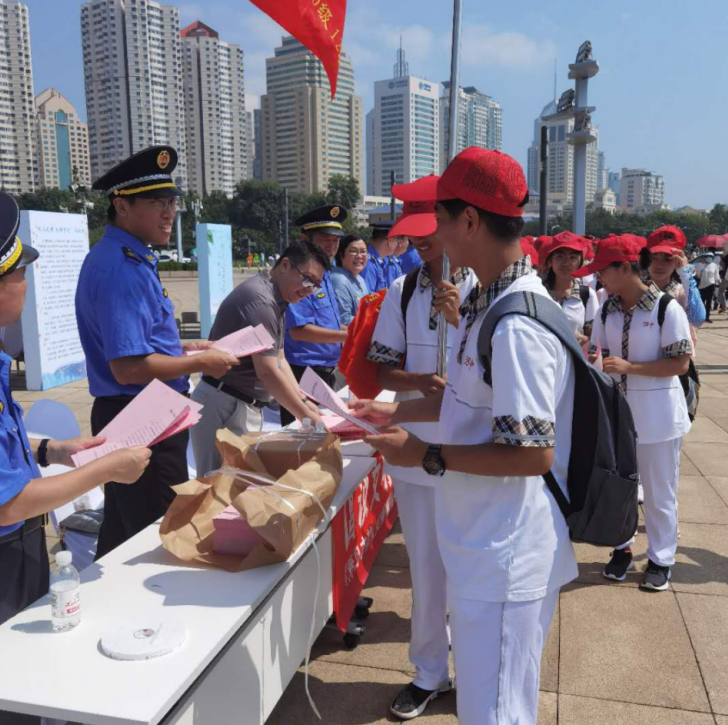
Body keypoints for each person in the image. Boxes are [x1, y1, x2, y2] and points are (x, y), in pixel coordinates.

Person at [353, 148, 578, 725]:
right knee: (486, 705)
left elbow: (532, 453)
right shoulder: (484, 303)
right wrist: (392, 415)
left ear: (471, 222)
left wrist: (424, 455)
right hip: (481, 540)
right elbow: (464, 399)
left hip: (505, 554)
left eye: (442, 222)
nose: (437, 236)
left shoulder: (517, 321)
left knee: (496, 713)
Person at [75, 146, 238, 558]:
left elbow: (137, 342)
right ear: (122, 206)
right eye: (156, 202)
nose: (169, 212)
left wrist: (185, 347)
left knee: (123, 526)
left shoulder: (128, 257)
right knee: (158, 531)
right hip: (139, 412)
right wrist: (202, 362)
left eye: (172, 201)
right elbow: (129, 367)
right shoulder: (121, 267)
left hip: (144, 408)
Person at [0, 191, 151, 635]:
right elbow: (8, 502)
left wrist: (53, 450)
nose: (27, 280)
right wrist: (105, 469)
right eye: (20, 270)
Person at [366, 180, 477, 720]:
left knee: (473, 568)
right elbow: (380, 365)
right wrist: (418, 378)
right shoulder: (401, 291)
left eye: (429, 231)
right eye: (412, 235)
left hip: (476, 453)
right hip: (415, 451)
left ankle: (475, 669)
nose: (420, 245)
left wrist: (464, 319)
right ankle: (430, 671)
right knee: (426, 568)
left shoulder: (487, 287)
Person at [583, 236, 692, 591]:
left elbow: (680, 363)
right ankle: (621, 548)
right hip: (619, 414)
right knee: (618, 487)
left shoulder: (665, 308)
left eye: (603, 270)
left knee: (660, 492)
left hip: (659, 416)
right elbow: (597, 352)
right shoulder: (607, 309)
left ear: (624, 268)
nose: (599, 278)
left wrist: (632, 366)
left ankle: (661, 559)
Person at [190, 241, 328, 475]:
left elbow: (279, 359)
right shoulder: (261, 301)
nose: (309, 290)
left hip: (239, 404)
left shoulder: (277, 299)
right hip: (224, 404)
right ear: (285, 265)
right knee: (215, 490)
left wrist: (303, 401)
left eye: (315, 286)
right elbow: (267, 371)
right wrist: (305, 416)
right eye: (307, 280)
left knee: (238, 485)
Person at [280, 205, 349, 426]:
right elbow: (300, 331)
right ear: (305, 239)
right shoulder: (300, 276)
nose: (331, 246)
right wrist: (346, 337)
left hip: (325, 371)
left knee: (324, 438)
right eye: (324, 239)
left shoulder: (325, 274)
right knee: (300, 440)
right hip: (303, 372)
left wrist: (352, 332)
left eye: (336, 241)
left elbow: (329, 321)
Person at [645, 226, 705, 353]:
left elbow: (697, 319)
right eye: (654, 257)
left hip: (676, 364)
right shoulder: (636, 290)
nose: (660, 264)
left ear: (678, 261)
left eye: (668, 259)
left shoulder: (682, 291)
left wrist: (685, 273)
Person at [540, 231, 599, 347]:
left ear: (580, 262)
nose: (566, 263)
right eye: (560, 257)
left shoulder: (587, 295)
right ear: (551, 260)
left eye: (572, 257)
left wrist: (583, 339)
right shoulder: (538, 292)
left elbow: (594, 335)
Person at [331, 233, 370, 326]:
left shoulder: (360, 279)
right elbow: (344, 320)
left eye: (363, 251)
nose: (359, 256)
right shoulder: (339, 279)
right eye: (353, 251)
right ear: (341, 255)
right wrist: (373, 321)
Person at [360, 220, 402, 292]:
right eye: (397, 241)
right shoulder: (369, 264)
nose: (398, 245)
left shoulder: (382, 262)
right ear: (390, 241)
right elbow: (368, 299)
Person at [696, 252, 719, 322]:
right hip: (702, 286)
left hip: (711, 285)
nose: (708, 257)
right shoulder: (701, 265)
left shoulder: (714, 265)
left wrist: (717, 282)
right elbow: (698, 276)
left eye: (710, 256)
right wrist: (702, 267)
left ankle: (707, 317)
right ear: (704, 257)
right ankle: (701, 317)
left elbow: (716, 275)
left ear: (712, 258)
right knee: (702, 302)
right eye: (707, 256)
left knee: (709, 302)